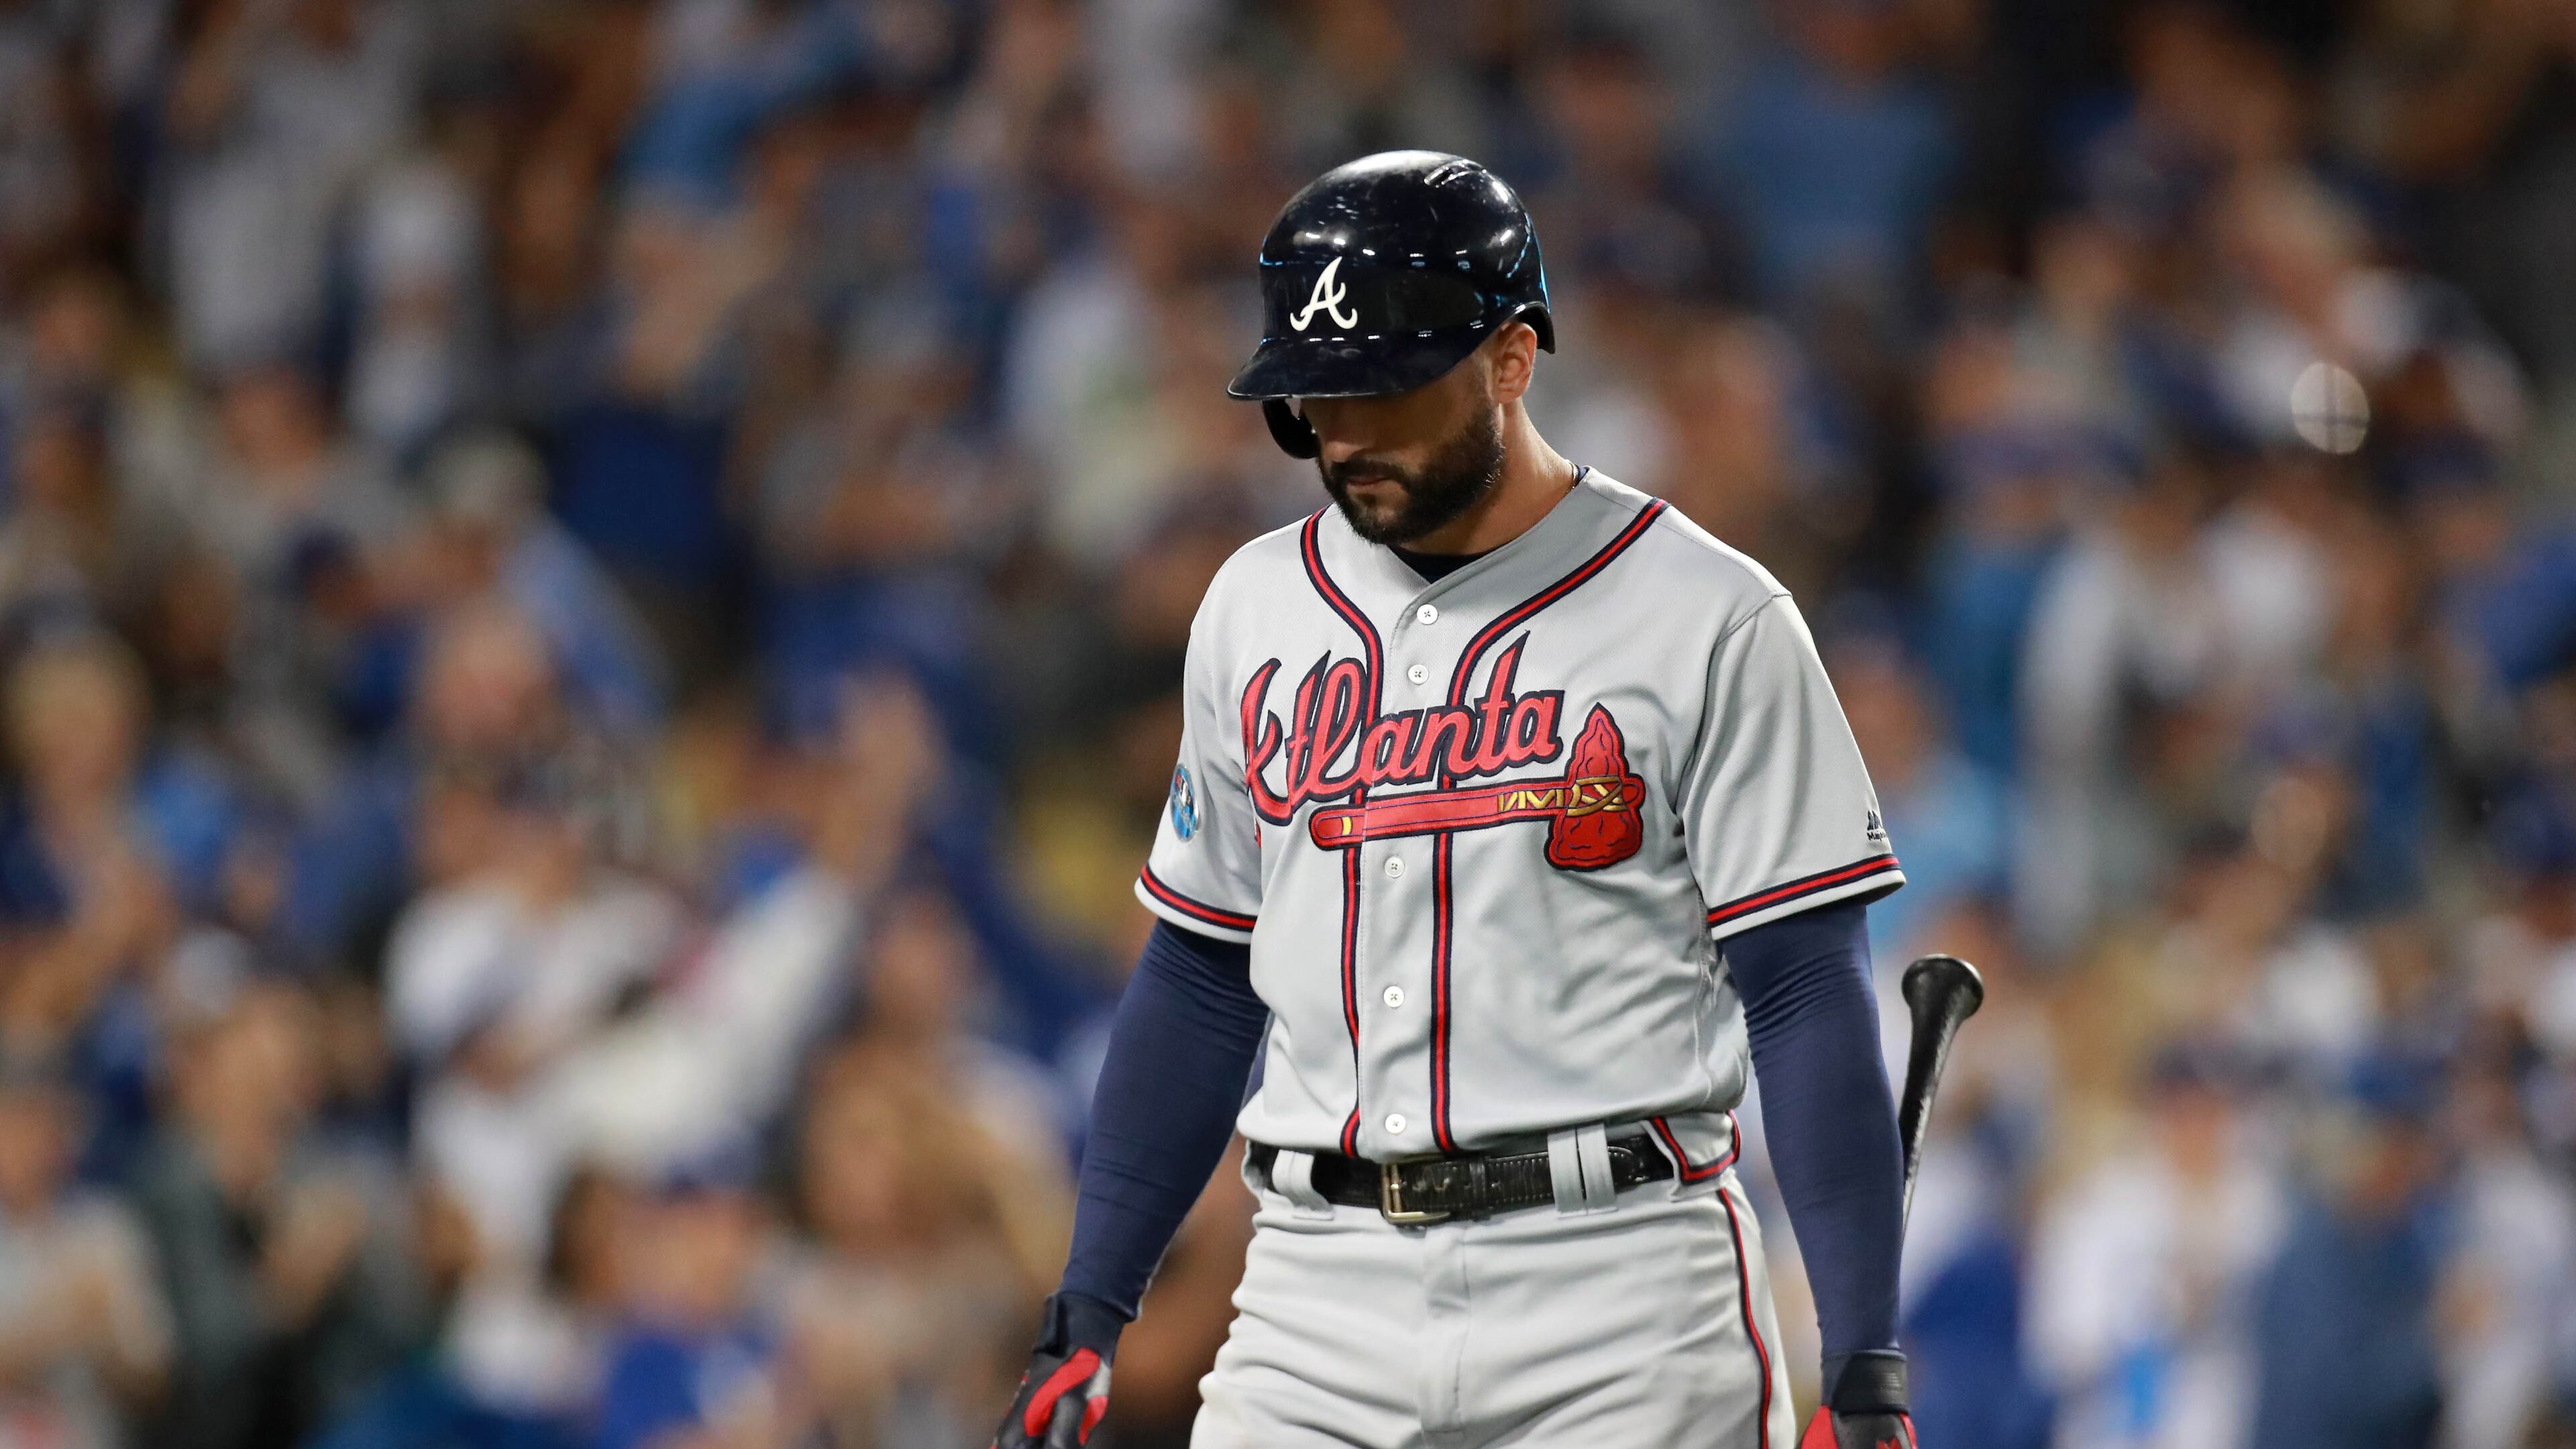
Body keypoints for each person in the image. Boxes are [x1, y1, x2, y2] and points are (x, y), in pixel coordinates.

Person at [995, 152, 1917, 1449]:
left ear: (1512, 359)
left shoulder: (1711, 616)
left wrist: (1864, 1360)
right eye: (1317, 395)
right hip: (1317, 1292)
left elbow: (1808, 989)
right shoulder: (1253, 607)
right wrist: (1091, 1307)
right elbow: (1201, 975)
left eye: (1386, 387)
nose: (1347, 434)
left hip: (1623, 1297)